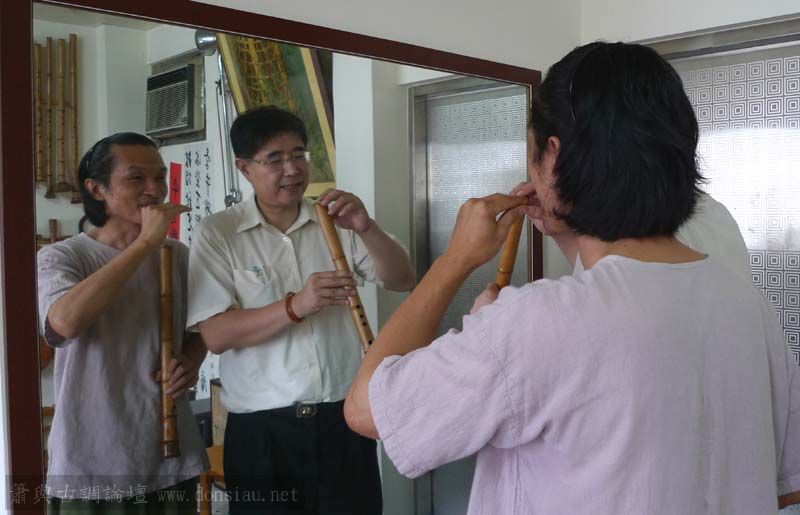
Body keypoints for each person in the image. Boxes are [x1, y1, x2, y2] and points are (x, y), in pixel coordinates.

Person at [344, 42, 800, 514]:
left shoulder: (533, 323)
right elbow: (785, 485)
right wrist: (567, 226)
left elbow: (366, 410)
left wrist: (455, 260)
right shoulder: (745, 305)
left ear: (554, 155)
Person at [186, 106, 415, 514]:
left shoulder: (335, 220)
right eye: (274, 159)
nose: (292, 169)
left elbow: (402, 278)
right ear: (244, 167)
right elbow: (216, 335)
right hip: (263, 432)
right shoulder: (218, 233)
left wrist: (366, 226)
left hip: (343, 419)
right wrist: (296, 306)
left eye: (298, 155)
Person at [37, 132, 209, 513]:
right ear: (97, 189)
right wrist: (144, 244)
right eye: (136, 178)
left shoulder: (179, 257)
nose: (154, 190)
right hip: (92, 462)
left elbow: (201, 328)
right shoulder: (63, 257)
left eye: (160, 177)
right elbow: (63, 324)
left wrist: (193, 359)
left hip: (169, 459)